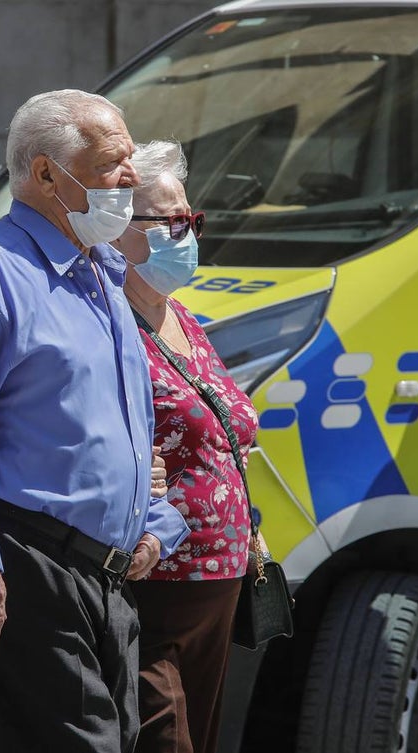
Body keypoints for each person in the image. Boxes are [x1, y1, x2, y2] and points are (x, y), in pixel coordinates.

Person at [0, 90, 191, 753]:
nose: (130, 177)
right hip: (24, 565)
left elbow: (120, 421)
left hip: (106, 576)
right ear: (44, 174)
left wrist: (150, 525)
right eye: (112, 162)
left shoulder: (103, 274)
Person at [112, 140, 260, 753]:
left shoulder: (183, 318)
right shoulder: (106, 322)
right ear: (115, 229)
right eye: (170, 220)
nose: (186, 232)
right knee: (162, 737)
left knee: (201, 736)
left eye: (190, 219)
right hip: (156, 578)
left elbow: (222, 436)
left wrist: (249, 523)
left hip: (221, 577)